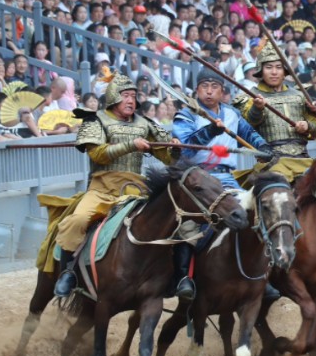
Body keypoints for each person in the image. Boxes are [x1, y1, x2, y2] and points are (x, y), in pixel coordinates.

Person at [53, 72, 174, 298]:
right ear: (112, 98)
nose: (131, 101)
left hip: (136, 190)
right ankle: (67, 273)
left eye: (134, 96)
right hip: (102, 188)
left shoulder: (145, 123)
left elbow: (167, 157)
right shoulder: (96, 120)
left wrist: (173, 148)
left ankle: (173, 275)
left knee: (167, 222)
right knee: (77, 220)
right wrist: (131, 145)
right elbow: (98, 154)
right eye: (126, 96)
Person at [172, 70, 272, 300]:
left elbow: (249, 134)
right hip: (196, 180)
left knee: (253, 214)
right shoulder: (186, 115)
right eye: (204, 86)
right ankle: (182, 278)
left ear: (222, 91)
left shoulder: (232, 114)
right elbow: (186, 148)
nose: (209, 90)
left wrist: (264, 148)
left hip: (226, 178)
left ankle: (259, 275)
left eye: (214, 86)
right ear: (196, 90)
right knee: (187, 225)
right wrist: (209, 131)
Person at [233, 43, 316, 185]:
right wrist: (257, 108)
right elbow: (248, 126)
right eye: (269, 67)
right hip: (272, 162)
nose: (274, 72)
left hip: (304, 159)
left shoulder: (300, 95)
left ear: (285, 71)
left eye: (278, 67)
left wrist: (308, 126)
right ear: (261, 71)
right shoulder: (250, 96)